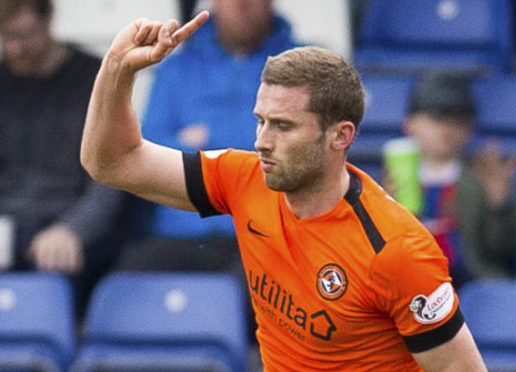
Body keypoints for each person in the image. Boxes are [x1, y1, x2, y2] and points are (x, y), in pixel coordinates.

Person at [80, 11, 487, 370]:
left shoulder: (395, 250)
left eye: (284, 126)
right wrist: (117, 68)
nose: (261, 140)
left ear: (340, 136)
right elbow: (111, 162)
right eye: (261, 121)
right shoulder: (243, 179)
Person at [113, 0, 299, 274]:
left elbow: (308, 147)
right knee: (126, 283)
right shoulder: (176, 68)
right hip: (181, 228)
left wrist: (197, 146)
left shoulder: (303, 66)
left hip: (271, 232)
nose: (242, 5)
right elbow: (143, 149)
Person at [0, 0, 123, 318]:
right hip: (7, 226)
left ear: (48, 17)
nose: (14, 49)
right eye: (4, 38)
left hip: (69, 226)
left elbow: (111, 174)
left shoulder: (94, 78)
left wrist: (73, 229)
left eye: (22, 36)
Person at [382, 73, 516, 288]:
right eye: (436, 118)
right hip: (409, 286)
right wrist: (383, 211)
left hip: (468, 285)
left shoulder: (481, 178)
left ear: (470, 129)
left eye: (457, 120)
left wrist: (500, 205)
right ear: (410, 124)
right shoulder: (392, 181)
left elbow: (504, 249)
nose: (446, 128)